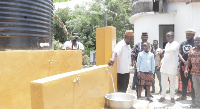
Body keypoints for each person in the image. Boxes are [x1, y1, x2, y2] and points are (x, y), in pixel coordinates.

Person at [158, 31, 179, 103]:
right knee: (163, 83)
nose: (168, 37)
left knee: (172, 83)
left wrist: (163, 50)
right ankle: (163, 96)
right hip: (164, 67)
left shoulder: (176, 44)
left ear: (173, 36)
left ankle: (172, 97)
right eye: (167, 36)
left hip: (172, 67)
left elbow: (171, 50)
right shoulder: (167, 44)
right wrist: (161, 61)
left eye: (169, 36)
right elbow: (166, 55)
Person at [131, 32, 154, 98]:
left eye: (146, 37)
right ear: (141, 37)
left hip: (148, 69)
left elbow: (153, 55)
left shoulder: (151, 46)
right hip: (140, 68)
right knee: (138, 82)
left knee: (148, 82)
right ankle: (138, 95)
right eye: (143, 37)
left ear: (147, 38)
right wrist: (135, 63)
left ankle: (148, 95)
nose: (144, 38)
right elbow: (133, 54)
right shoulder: (137, 45)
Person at [176, 29, 195, 101]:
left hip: (192, 66)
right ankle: (183, 96)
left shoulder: (195, 43)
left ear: (193, 35)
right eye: (187, 35)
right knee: (184, 81)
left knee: (193, 82)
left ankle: (194, 97)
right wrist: (184, 62)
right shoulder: (183, 43)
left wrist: (188, 63)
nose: (187, 36)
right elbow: (179, 53)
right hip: (183, 65)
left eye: (189, 35)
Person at [184, 35, 200, 108]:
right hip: (194, 73)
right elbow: (189, 60)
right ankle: (197, 103)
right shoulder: (191, 50)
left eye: (198, 40)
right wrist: (186, 69)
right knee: (196, 89)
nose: (196, 42)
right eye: (195, 41)